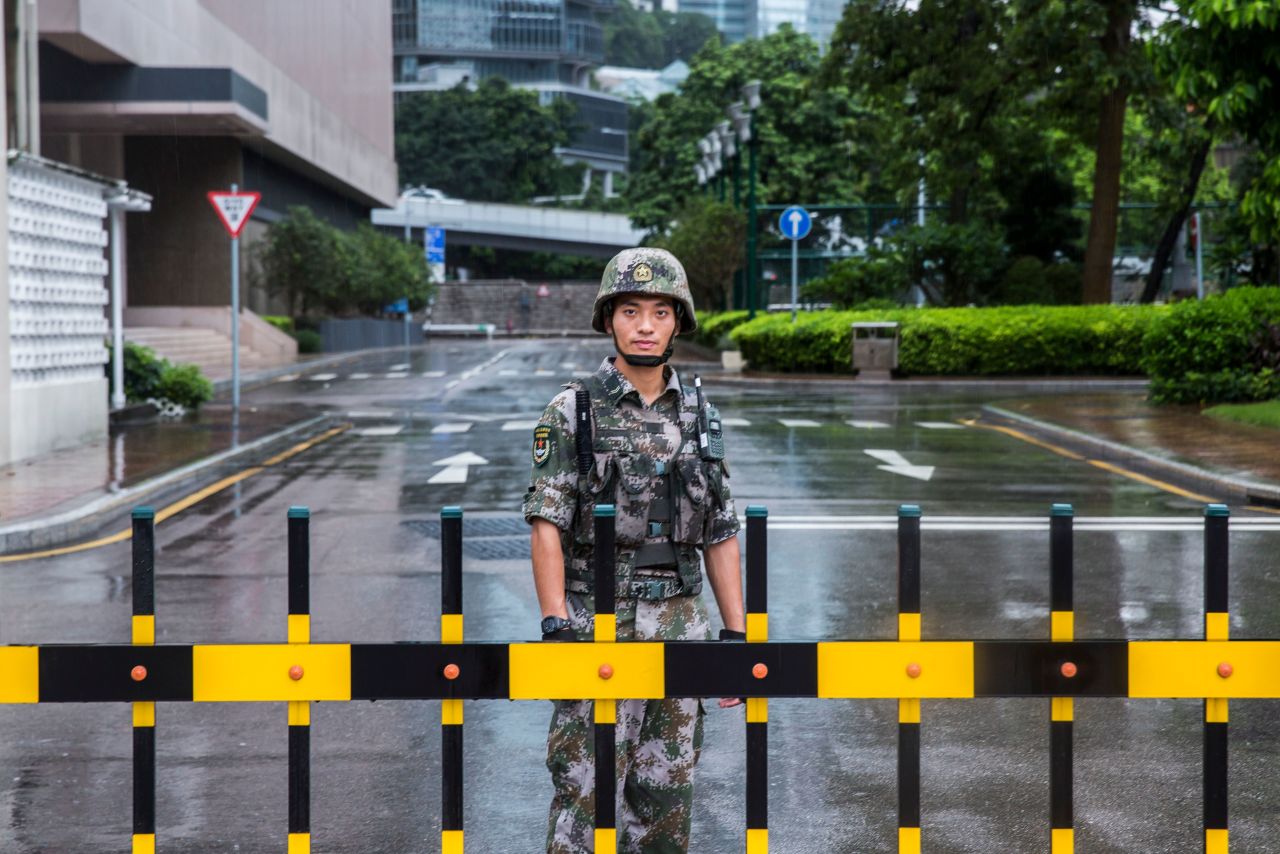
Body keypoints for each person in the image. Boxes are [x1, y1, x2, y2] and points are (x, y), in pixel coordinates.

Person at [523, 247, 746, 853]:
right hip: (600, 623)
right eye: (630, 310)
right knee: (585, 799)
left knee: (668, 802)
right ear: (609, 320)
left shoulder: (700, 413)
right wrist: (555, 625)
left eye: (659, 312)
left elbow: (720, 529)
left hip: (680, 624)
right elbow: (547, 521)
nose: (645, 325)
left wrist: (734, 636)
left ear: (678, 322)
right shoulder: (575, 410)